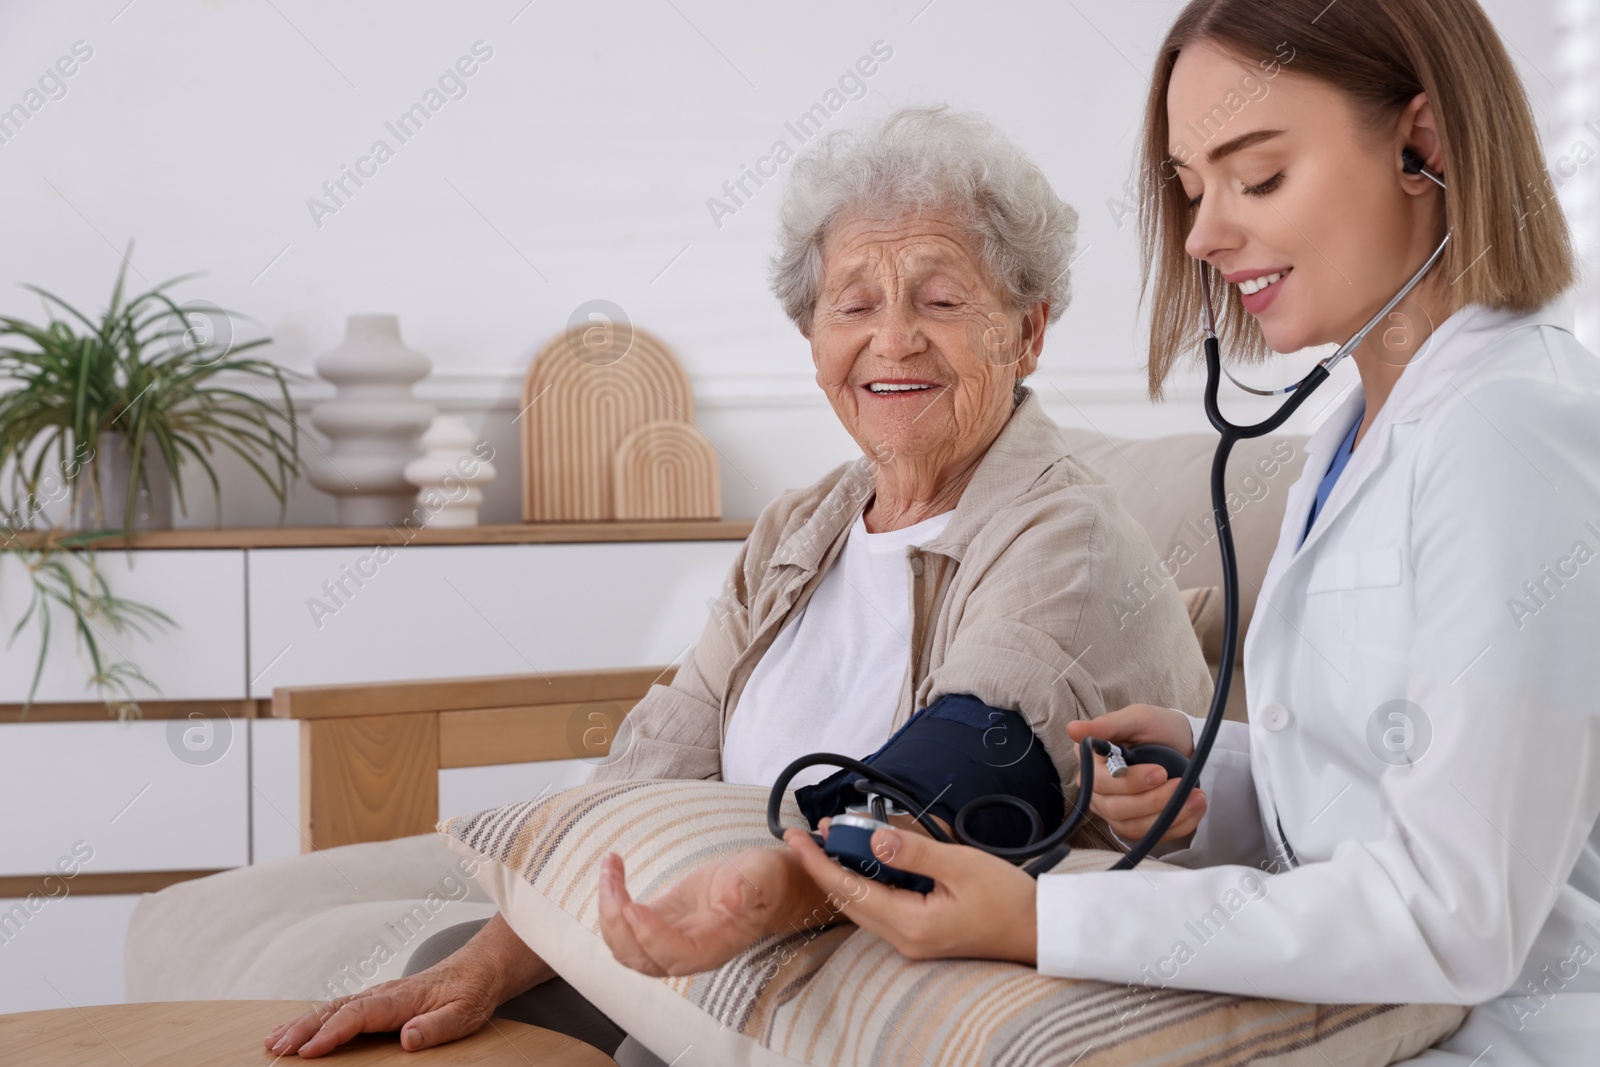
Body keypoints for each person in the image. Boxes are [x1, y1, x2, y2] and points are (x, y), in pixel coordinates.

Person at [262, 105, 1216, 1061]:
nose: (893, 341)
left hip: (890, 955)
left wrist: (765, 892)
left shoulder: (1065, 531)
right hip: (731, 935)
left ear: (1029, 330)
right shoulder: (799, 530)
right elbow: (656, 762)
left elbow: (966, 770)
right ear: (813, 341)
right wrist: (489, 959)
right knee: (458, 977)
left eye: (940, 300)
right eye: (854, 305)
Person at [779, 2, 1600, 1064]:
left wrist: (1037, 920)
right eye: (1192, 186)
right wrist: (1224, 783)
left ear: (1422, 143)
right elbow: (1401, 775)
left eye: (1255, 176)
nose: (1205, 234)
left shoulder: (1510, 431)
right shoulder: (1360, 426)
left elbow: (1458, 909)